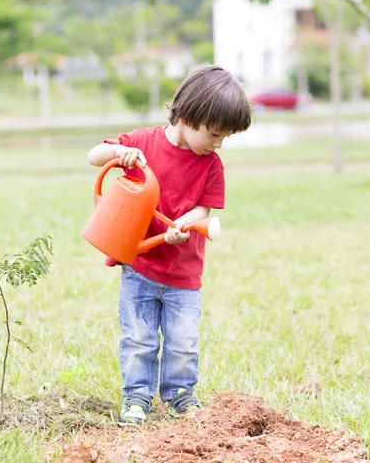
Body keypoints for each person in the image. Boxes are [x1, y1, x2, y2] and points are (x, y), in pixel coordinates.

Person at [88, 64, 252, 426]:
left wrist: (185, 223)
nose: (218, 144)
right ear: (188, 115)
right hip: (140, 266)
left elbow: (202, 210)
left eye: (224, 138)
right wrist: (121, 155)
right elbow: (94, 155)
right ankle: (136, 398)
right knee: (139, 338)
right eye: (214, 134)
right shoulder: (143, 143)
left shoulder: (211, 166)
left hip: (183, 273)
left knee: (182, 342)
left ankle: (179, 395)